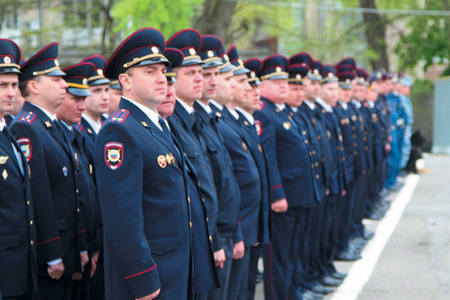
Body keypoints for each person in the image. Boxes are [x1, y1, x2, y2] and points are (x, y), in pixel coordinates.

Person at [96, 27, 192, 300]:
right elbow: (121, 216)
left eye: (163, 71)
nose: (162, 78)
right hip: (150, 275)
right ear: (125, 80)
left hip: (172, 266)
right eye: (150, 72)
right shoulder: (120, 130)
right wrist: (142, 278)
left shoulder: (158, 124)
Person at [10, 42, 88, 300]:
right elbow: (39, 196)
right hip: (50, 257)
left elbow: (73, 192)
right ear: (33, 86)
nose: (64, 85)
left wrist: (81, 246)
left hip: (68, 248)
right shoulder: (28, 127)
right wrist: (52, 252)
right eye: (55, 80)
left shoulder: (52, 125)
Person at [254, 55, 319, 300]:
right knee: (278, 258)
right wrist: (277, 192)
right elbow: (268, 157)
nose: (283, 84)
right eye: (276, 80)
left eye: (284, 80)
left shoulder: (284, 113)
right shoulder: (265, 114)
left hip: (298, 196)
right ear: (263, 85)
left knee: (293, 252)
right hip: (284, 199)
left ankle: (292, 294)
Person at [159, 45, 219, 300]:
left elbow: (214, 182)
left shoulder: (193, 120)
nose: (201, 79)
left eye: (201, 72)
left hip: (209, 236)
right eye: (191, 72)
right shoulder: (171, 123)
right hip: (184, 246)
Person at [192, 35, 242, 300]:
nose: (209, 80)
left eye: (214, 74)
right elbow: (202, 187)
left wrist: (237, 230)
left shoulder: (210, 118)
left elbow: (228, 180)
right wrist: (213, 240)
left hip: (227, 230)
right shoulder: (192, 121)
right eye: (203, 73)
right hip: (215, 236)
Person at [54, 62, 103, 300]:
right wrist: (80, 248)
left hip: (88, 246)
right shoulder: (55, 134)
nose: (82, 106)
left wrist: (92, 246)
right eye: (75, 99)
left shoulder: (74, 134)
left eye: (84, 99)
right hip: (68, 251)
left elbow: (89, 194)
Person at [0, 38, 37, 300]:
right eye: (2, 85)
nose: (11, 92)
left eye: (14, 85)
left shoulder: (8, 134)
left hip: (19, 267)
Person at [75, 55, 110, 156]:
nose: (105, 97)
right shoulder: (77, 130)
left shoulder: (108, 124)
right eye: (97, 91)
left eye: (107, 90)